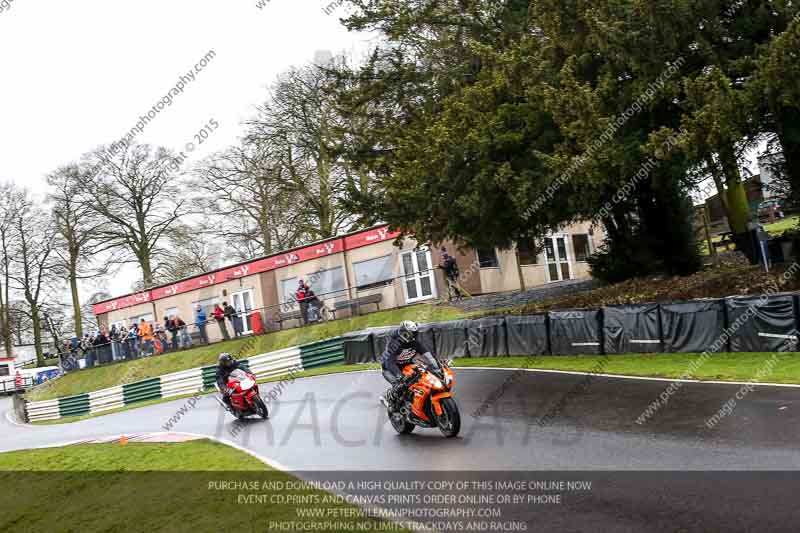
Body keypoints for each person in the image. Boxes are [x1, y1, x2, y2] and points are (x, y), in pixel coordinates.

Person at [380, 320, 438, 406]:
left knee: (420, 377)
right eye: (412, 334)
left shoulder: (414, 343)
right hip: (389, 369)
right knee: (400, 386)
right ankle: (387, 396)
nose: (414, 336)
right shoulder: (394, 344)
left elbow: (428, 355)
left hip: (405, 365)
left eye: (415, 333)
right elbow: (389, 363)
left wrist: (436, 366)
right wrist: (400, 376)